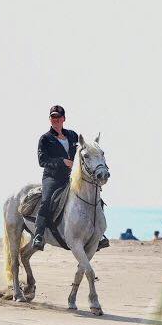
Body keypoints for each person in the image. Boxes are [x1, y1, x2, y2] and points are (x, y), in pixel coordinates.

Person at [32, 105, 109, 251]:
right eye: (53, 117)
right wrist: (62, 161)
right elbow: (42, 161)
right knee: (46, 200)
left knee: (96, 198)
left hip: (72, 177)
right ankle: (39, 235)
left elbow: (83, 154)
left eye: (58, 117)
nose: (56, 120)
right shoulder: (45, 139)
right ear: (50, 119)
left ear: (64, 119)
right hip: (52, 178)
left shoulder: (73, 136)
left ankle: (99, 235)